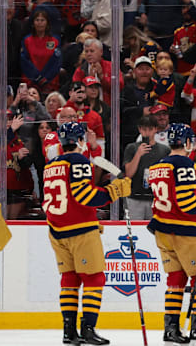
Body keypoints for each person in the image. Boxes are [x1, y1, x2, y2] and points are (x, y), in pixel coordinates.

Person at [43, 122, 131, 345]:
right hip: (80, 229)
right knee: (94, 277)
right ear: (80, 141)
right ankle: (88, 329)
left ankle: (68, 331)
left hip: (57, 230)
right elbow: (85, 196)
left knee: (70, 279)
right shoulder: (79, 160)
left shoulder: (50, 165)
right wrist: (114, 191)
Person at [147, 123, 196, 344]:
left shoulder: (157, 166)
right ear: (188, 142)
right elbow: (188, 203)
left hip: (162, 229)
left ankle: (171, 329)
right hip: (185, 230)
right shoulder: (185, 164)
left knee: (175, 279)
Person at [122, 116, 171, 220]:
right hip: (134, 197)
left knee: (155, 232)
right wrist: (138, 154)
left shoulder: (164, 150)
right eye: (144, 129)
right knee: (134, 231)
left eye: (150, 129)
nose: (147, 133)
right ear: (139, 129)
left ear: (156, 129)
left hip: (157, 199)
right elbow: (129, 174)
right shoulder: (132, 148)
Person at [20, 10, 63, 95]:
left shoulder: (55, 40)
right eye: (37, 20)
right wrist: (36, 77)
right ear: (33, 23)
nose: (40, 23)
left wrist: (45, 78)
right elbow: (24, 61)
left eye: (42, 20)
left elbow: (57, 62)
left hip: (50, 83)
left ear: (47, 23)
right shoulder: (27, 40)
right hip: (31, 82)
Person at [72, 38, 123, 106]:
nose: (89, 54)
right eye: (86, 51)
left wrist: (102, 77)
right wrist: (89, 79)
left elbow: (119, 86)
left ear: (101, 52)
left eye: (92, 51)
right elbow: (76, 91)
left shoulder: (112, 67)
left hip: (109, 107)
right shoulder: (80, 70)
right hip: (87, 108)